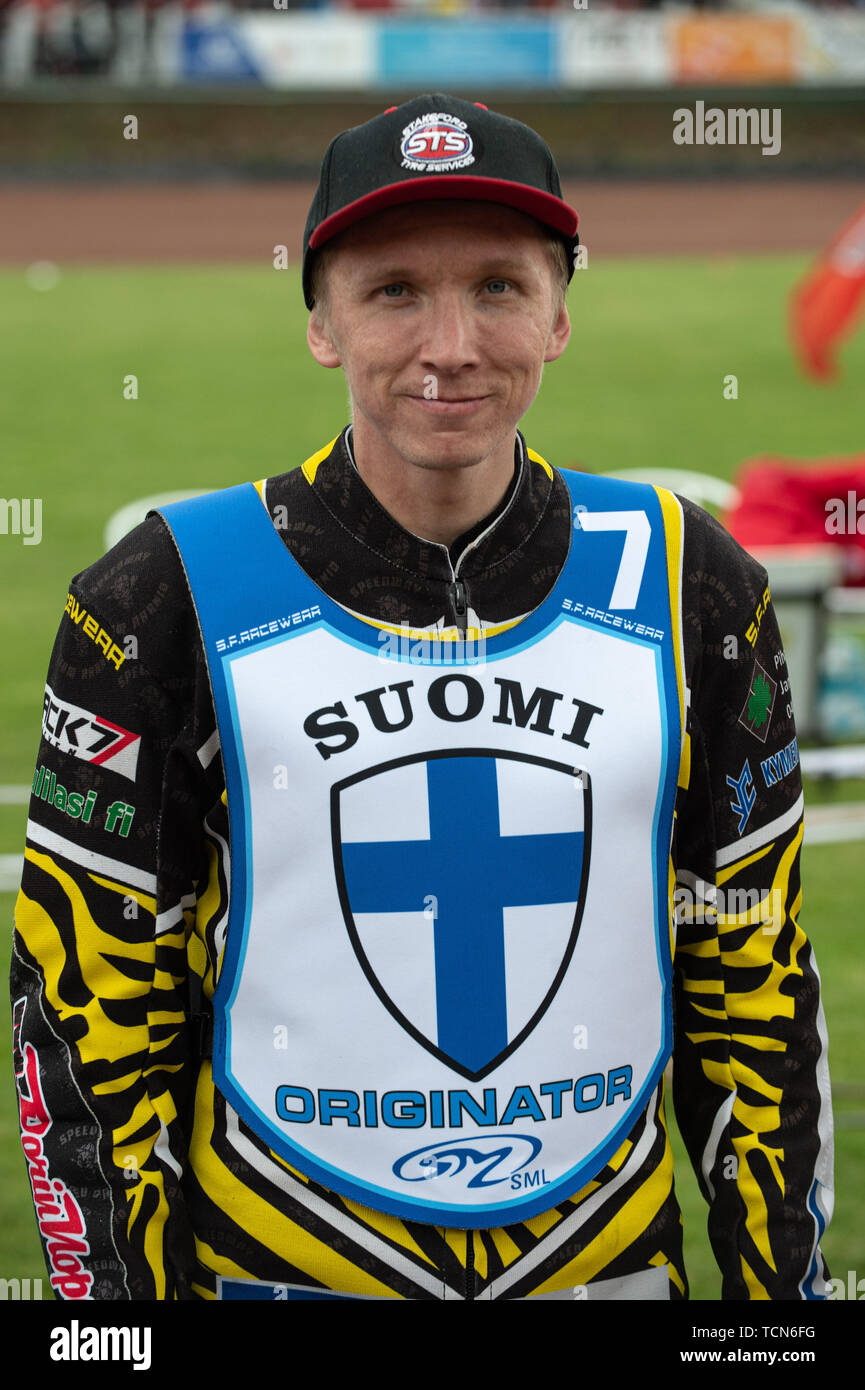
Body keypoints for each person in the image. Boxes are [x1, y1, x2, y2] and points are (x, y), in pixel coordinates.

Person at [11, 93, 833, 1302]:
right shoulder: (159, 593)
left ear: (559, 314)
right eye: (393, 289)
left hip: (600, 1273)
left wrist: (784, 1312)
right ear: (321, 321)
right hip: (279, 1271)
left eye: (499, 286)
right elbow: (86, 1022)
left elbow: (751, 982)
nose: (450, 343)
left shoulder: (690, 576)